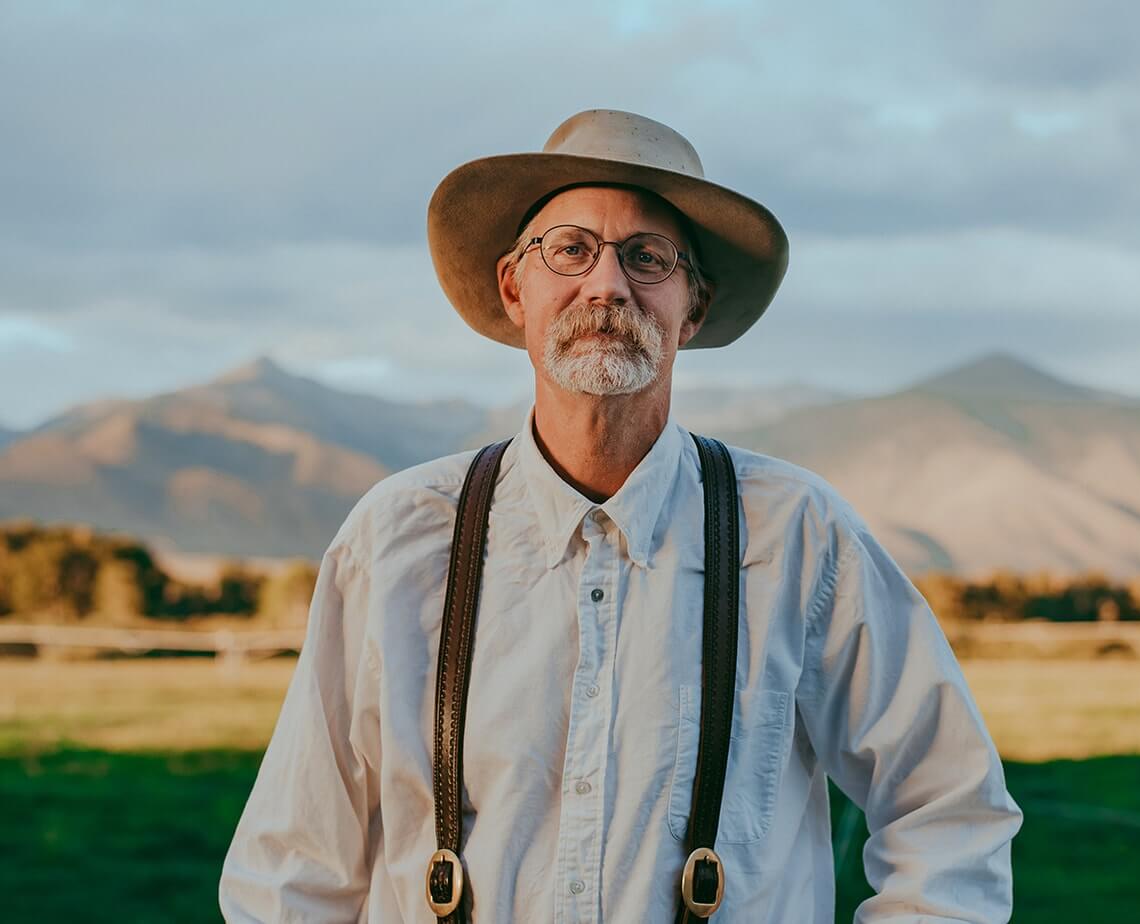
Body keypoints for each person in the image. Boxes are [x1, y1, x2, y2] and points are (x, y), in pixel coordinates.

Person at [220, 109, 1022, 923]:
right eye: (569, 250)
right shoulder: (396, 538)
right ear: (513, 288)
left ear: (692, 307)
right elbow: (295, 866)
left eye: (648, 258)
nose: (606, 284)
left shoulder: (799, 535)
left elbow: (947, 809)